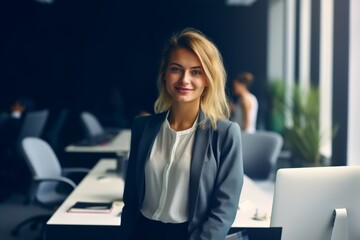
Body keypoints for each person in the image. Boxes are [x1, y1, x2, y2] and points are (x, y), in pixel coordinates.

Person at [119, 28, 243, 240]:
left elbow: (225, 208)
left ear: (207, 80)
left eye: (196, 72)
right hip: (140, 232)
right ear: (165, 75)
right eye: (176, 69)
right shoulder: (142, 127)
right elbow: (131, 197)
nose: (185, 79)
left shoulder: (225, 133)